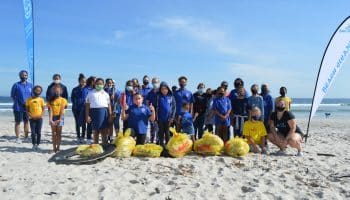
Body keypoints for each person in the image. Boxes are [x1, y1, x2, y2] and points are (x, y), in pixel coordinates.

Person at [85, 78, 112, 144]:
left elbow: (109, 105)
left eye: (101, 84)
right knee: (95, 131)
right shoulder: (90, 93)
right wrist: (87, 116)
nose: (99, 85)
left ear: (103, 85)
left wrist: (110, 115)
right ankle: (96, 145)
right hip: (94, 113)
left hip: (104, 113)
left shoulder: (106, 94)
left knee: (104, 131)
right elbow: (87, 105)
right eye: (97, 84)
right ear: (94, 84)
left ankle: (104, 145)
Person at [11, 70, 33, 143]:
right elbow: (13, 96)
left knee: (26, 122)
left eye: (25, 75)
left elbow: (32, 96)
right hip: (18, 107)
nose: (24, 76)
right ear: (20, 76)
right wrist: (19, 102)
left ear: (27, 76)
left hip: (27, 107)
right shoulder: (16, 85)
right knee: (18, 122)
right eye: (23, 75)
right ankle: (17, 138)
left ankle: (26, 137)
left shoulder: (30, 85)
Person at [47, 85, 67, 153]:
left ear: (61, 91)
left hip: (60, 117)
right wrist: (50, 119)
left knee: (59, 133)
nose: (57, 92)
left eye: (58, 91)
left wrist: (60, 119)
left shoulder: (63, 100)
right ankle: (54, 148)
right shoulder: (50, 100)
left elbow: (62, 110)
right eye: (55, 91)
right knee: (54, 133)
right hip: (53, 117)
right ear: (53, 91)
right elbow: (50, 110)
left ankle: (58, 148)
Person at [155, 81, 176, 147]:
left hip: (168, 118)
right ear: (160, 90)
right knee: (161, 132)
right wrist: (156, 117)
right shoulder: (158, 97)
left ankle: (168, 145)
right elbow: (155, 107)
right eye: (162, 89)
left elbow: (174, 107)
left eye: (165, 89)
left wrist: (172, 117)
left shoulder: (171, 97)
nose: (164, 90)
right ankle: (161, 145)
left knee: (167, 132)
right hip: (160, 118)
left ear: (168, 89)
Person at [25, 85, 45, 150]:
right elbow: (27, 110)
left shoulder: (41, 99)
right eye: (36, 90)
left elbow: (43, 109)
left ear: (41, 92)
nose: (38, 91)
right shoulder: (29, 99)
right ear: (34, 91)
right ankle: (34, 144)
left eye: (39, 90)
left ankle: (38, 144)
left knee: (38, 132)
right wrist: (31, 116)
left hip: (39, 118)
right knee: (33, 132)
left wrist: (40, 115)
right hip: (32, 119)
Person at [79, 76, 96, 144]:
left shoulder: (96, 89)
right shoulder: (85, 89)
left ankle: (92, 137)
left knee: (93, 124)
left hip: (94, 108)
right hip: (87, 108)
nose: (96, 82)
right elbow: (84, 100)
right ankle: (87, 138)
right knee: (88, 123)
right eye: (95, 80)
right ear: (92, 81)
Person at [71, 73, 87, 144]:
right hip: (76, 109)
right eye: (82, 81)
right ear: (79, 81)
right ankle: (78, 137)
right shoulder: (75, 89)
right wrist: (75, 104)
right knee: (77, 123)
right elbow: (72, 98)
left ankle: (83, 137)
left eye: (85, 81)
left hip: (84, 109)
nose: (83, 83)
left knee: (83, 123)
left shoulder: (87, 89)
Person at [146, 77, 160, 143]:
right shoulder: (150, 92)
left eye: (156, 82)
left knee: (158, 128)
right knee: (152, 127)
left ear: (159, 83)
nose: (155, 84)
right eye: (154, 82)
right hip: (152, 112)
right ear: (151, 83)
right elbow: (147, 102)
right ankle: (151, 140)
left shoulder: (161, 92)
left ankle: (158, 140)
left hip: (160, 112)